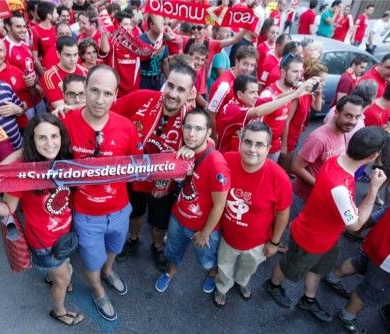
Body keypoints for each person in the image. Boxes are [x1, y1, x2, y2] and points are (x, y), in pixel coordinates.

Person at [0, 113, 84, 327]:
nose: (50, 144)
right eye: (41, 138)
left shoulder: (65, 158)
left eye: (54, 136)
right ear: (32, 140)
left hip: (65, 234)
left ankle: (53, 276)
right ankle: (59, 312)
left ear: (62, 136)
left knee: (63, 267)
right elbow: (8, 209)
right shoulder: (23, 171)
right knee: (64, 277)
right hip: (44, 244)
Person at [263, 126, 387, 322]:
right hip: (310, 239)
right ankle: (273, 285)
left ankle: (308, 299)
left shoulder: (336, 160)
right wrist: (373, 191)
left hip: (326, 236)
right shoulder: (340, 186)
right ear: (373, 156)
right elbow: (355, 226)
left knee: (319, 269)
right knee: (289, 266)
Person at [62, 64, 143, 321]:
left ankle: (109, 272)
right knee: (90, 260)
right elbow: (39, 154)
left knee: (114, 249)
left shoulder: (126, 127)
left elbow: (141, 164)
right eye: (94, 91)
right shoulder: (65, 123)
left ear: (116, 94)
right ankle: (97, 290)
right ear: (84, 89)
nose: (99, 99)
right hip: (85, 214)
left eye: (107, 93)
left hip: (120, 210)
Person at [112, 63, 196, 270]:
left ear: (190, 93)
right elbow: (108, 112)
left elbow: (208, 143)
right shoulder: (142, 98)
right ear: (164, 84)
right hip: (133, 176)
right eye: (170, 86)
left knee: (159, 222)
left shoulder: (192, 119)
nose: (173, 94)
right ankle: (133, 240)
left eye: (181, 89)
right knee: (135, 212)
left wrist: (193, 150)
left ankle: (157, 246)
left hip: (164, 185)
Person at [323, 173, 390, 334]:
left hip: (381, 236)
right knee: (369, 291)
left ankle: (332, 277)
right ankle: (347, 315)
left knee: (359, 262)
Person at [213, 122, 292, 307]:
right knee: (224, 267)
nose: (252, 149)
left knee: (248, 268)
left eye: (259, 144)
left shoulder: (279, 177)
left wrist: (274, 242)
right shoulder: (227, 160)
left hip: (258, 242)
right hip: (228, 236)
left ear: (268, 148)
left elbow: (283, 213)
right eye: (248, 142)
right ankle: (223, 288)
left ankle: (241, 283)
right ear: (240, 142)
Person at [155, 109, 231, 294]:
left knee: (206, 261)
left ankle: (212, 274)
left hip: (203, 227)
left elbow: (220, 204)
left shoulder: (216, 164)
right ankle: (169, 273)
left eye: (198, 128)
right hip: (178, 217)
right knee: (172, 252)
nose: (191, 133)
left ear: (208, 132)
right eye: (188, 127)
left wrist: (204, 233)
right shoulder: (183, 150)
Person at [290, 95, 364, 219]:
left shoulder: (343, 132)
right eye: (348, 115)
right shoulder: (319, 138)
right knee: (293, 232)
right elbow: (296, 167)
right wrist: (323, 186)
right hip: (302, 197)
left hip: (319, 197)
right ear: (336, 112)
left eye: (357, 117)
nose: (353, 121)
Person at [216, 75, 316, 153]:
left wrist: (300, 91)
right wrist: (294, 95)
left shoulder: (249, 101)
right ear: (239, 94)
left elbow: (276, 97)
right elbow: (258, 112)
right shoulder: (231, 109)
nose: (256, 96)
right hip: (226, 156)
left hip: (241, 154)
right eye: (252, 92)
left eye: (256, 92)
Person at [282, 60, 327, 171]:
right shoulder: (299, 95)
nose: (324, 83)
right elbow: (286, 121)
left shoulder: (310, 93)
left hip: (296, 136)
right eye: (322, 81)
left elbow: (318, 108)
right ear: (312, 80)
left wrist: (318, 92)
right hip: (288, 139)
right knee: (284, 168)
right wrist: (284, 145)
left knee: (287, 166)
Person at [259, 53, 303, 161]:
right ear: (283, 72)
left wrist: (283, 144)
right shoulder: (268, 94)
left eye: (300, 71)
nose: (299, 76)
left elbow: (285, 121)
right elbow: (256, 124)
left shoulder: (290, 92)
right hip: (262, 149)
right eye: (295, 71)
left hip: (276, 148)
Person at [208, 46, 257, 133]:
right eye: (245, 64)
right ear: (237, 61)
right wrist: (214, 137)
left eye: (252, 65)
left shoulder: (246, 80)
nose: (249, 69)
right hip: (222, 136)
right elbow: (211, 113)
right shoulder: (224, 85)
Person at [41, 36, 88, 109]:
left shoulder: (85, 71)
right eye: (68, 55)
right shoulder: (49, 76)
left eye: (75, 55)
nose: (72, 59)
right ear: (58, 54)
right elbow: (61, 108)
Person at [138, 14, 169, 91]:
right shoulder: (140, 40)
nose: (163, 27)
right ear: (151, 25)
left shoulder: (163, 40)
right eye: (161, 24)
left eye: (164, 25)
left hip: (157, 80)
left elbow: (165, 63)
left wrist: (169, 79)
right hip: (142, 80)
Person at [31, 1, 59, 75]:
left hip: (59, 67)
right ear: (49, 16)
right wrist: (44, 74)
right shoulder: (35, 30)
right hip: (47, 70)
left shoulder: (56, 28)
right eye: (56, 13)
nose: (58, 15)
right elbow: (35, 58)